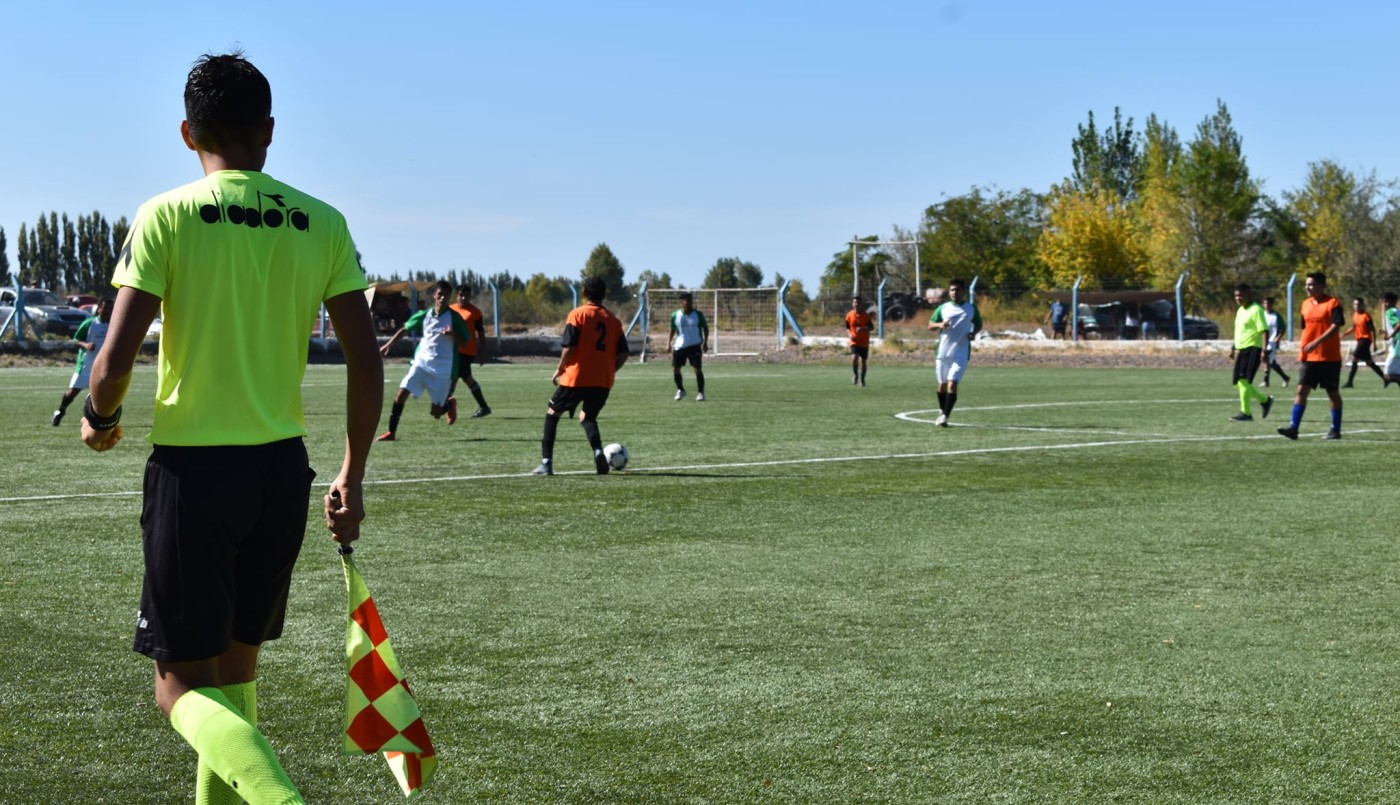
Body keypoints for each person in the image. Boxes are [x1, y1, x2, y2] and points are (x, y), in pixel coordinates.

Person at [79, 52, 382, 805]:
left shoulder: (167, 215)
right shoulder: (323, 221)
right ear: (270, 131)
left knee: (177, 686)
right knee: (235, 681)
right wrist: (352, 473)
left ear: (187, 133)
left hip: (196, 475)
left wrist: (100, 416)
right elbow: (366, 359)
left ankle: (282, 798)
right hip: (281, 474)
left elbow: (114, 358)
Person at [531, 276, 629, 475]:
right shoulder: (614, 320)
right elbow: (624, 353)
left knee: (552, 414)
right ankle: (598, 451)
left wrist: (560, 368)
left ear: (584, 293)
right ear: (604, 295)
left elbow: (569, 346)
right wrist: (610, 370)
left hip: (576, 377)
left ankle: (546, 463)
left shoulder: (577, 314)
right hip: (603, 380)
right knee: (587, 417)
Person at [378, 279, 472, 440]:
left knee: (435, 412)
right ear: (434, 294)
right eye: (440, 294)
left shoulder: (454, 318)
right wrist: (389, 344)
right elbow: (405, 329)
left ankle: (449, 405)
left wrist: (453, 334)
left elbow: (466, 341)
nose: (443, 298)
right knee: (401, 394)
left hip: (442, 368)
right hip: (421, 363)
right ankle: (391, 432)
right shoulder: (425, 315)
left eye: (447, 296)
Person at [1278, 272, 1344, 440]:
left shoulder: (1333, 303)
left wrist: (1317, 342)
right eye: (1306, 284)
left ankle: (1335, 429)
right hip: (1309, 358)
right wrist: (1303, 350)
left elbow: (1336, 326)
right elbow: (1305, 329)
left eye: (1311, 284)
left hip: (1329, 358)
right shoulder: (1305, 304)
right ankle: (1294, 428)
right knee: (1301, 390)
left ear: (1322, 286)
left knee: (1332, 393)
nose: (1307, 287)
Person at [927, 278, 982, 427]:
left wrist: (973, 333)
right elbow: (930, 325)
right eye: (952, 290)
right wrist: (940, 324)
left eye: (957, 290)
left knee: (952, 384)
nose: (954, 292)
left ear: (963, 291)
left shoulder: (971, 309)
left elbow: (978, 324)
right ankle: (942, 410)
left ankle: (945, 415)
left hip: (961, 353)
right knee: (942, 385)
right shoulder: (943, 308)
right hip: (943, 353)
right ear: (949, 291)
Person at [52, 297, 113, 426]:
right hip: (86, 365)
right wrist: (85, 345)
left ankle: (100, 419)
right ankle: (60, 411)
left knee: (104, 394)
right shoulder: (90, 323)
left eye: (111, 308)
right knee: (72, 392)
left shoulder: (114, 325)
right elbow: (75, 340)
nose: (108, 311)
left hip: (103, 367)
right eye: (105, 308)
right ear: (98, 309)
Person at [1227, 284, 1274, 421]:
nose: (1238, 298)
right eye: (1236, 295)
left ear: (1248, 295)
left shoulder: (1256, 310)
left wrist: (1264, 350)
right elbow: (1240, 331)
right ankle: (1264, 400)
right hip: (1241, 349)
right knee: (1238, 383)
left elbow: (1264, 330)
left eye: (1240, 295)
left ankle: (1246, 413)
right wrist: (1233, 348)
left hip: (1252, 348)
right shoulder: (1240, 310)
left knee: (1243, 380)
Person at [447, 283, 492, 418]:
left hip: (467, 350)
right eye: (461, 295)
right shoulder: (450, 309)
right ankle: (484, 407)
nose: (463, 298)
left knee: (458, 377)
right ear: (457, 296)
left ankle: (444, 405)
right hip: (452, 350)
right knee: (463, 378)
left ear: (470, 297)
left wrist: (483, 352)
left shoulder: (475, 312)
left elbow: (481, 333)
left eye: (466, 296)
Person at [668, 291, 709, 401]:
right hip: (680, 346)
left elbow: (705, 328)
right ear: (682, 302)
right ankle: (680, 390)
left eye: (690, 300)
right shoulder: (675, 315)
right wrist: (668, 343)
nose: (689, 303)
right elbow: (672, 330)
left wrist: (705, 343)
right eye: (687, 300)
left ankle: (700, 393)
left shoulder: (698, 315)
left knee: (697, 369)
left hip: (694, 345)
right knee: (676, 369)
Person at [1340, 297, 1384, 388]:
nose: (1357, 306)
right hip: (1360, 340)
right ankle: (1385, 378)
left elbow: (1372, 330)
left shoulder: (1366, 316)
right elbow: (1354, 327)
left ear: (1363, 305)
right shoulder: (1355, 315)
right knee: (1369, 362)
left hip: (1365, 340)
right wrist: (1344, 334)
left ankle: (1349, 382)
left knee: (1354, 359)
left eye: (1359, 304)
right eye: (1355, 304)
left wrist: (1374, 343)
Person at [1261, 296, 1290, 387]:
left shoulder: (1276, 316)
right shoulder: (1262, 315)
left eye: (1269, 303)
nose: (1267, 305)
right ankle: (1285, 377)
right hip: (1263, 341)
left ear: (1272, 305)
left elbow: (1283, 328)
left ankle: (1266, 381)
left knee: (1266, 359)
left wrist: (1278, 337)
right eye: (1265, 303)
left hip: (1272, 342)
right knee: (1270, 361)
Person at [845, 295, 872, 386]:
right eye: (854, 302)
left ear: (861, 304)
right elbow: (847, 327)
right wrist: (850, 335)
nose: (856, 304)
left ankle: (862, 379)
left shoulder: (866, 316)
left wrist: (863, 328)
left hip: (864, 342)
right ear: (852, 304)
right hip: (854, 341)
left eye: (858, 302)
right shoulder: (849, 315)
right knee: (854, 358)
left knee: (863, 361)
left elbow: (871, 327)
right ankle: (855, 374)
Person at [1381, 292, 1400, 388]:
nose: (1384, 304)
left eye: (1385, 302)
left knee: (1387, 374)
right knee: (1397, 372)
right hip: (1396, 343)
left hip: (1398, 344)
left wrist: (1390, 335)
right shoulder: (1397, 311)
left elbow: (1399, 324)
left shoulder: (1390, 312)